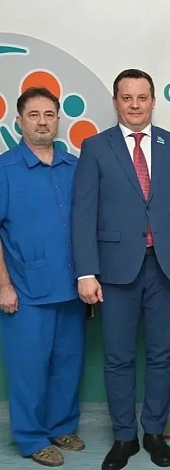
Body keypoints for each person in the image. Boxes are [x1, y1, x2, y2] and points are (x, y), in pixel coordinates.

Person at [72, 69, 170, 470]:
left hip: (165, 267)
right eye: (127, 98)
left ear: (153, 101)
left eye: (142, 97)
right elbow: (83, 213)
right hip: (114, 271)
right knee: (118, 358)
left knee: (162, 355)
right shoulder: (95, 147)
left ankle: (154, 432)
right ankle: (124, 436)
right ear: (116, 102)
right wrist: (86, 271)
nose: (135, 105)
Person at [0, 87, 86, 467]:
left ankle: (61, 426)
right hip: (25, 292)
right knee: (28, 370)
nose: (42, 122)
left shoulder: (74, 167)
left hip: (71, 289)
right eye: (34, 115)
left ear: (58, 120)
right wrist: (3, 285)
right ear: (19, 121)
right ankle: (31, 437)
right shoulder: (5, 170)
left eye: (49, 115)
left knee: (68, 364)